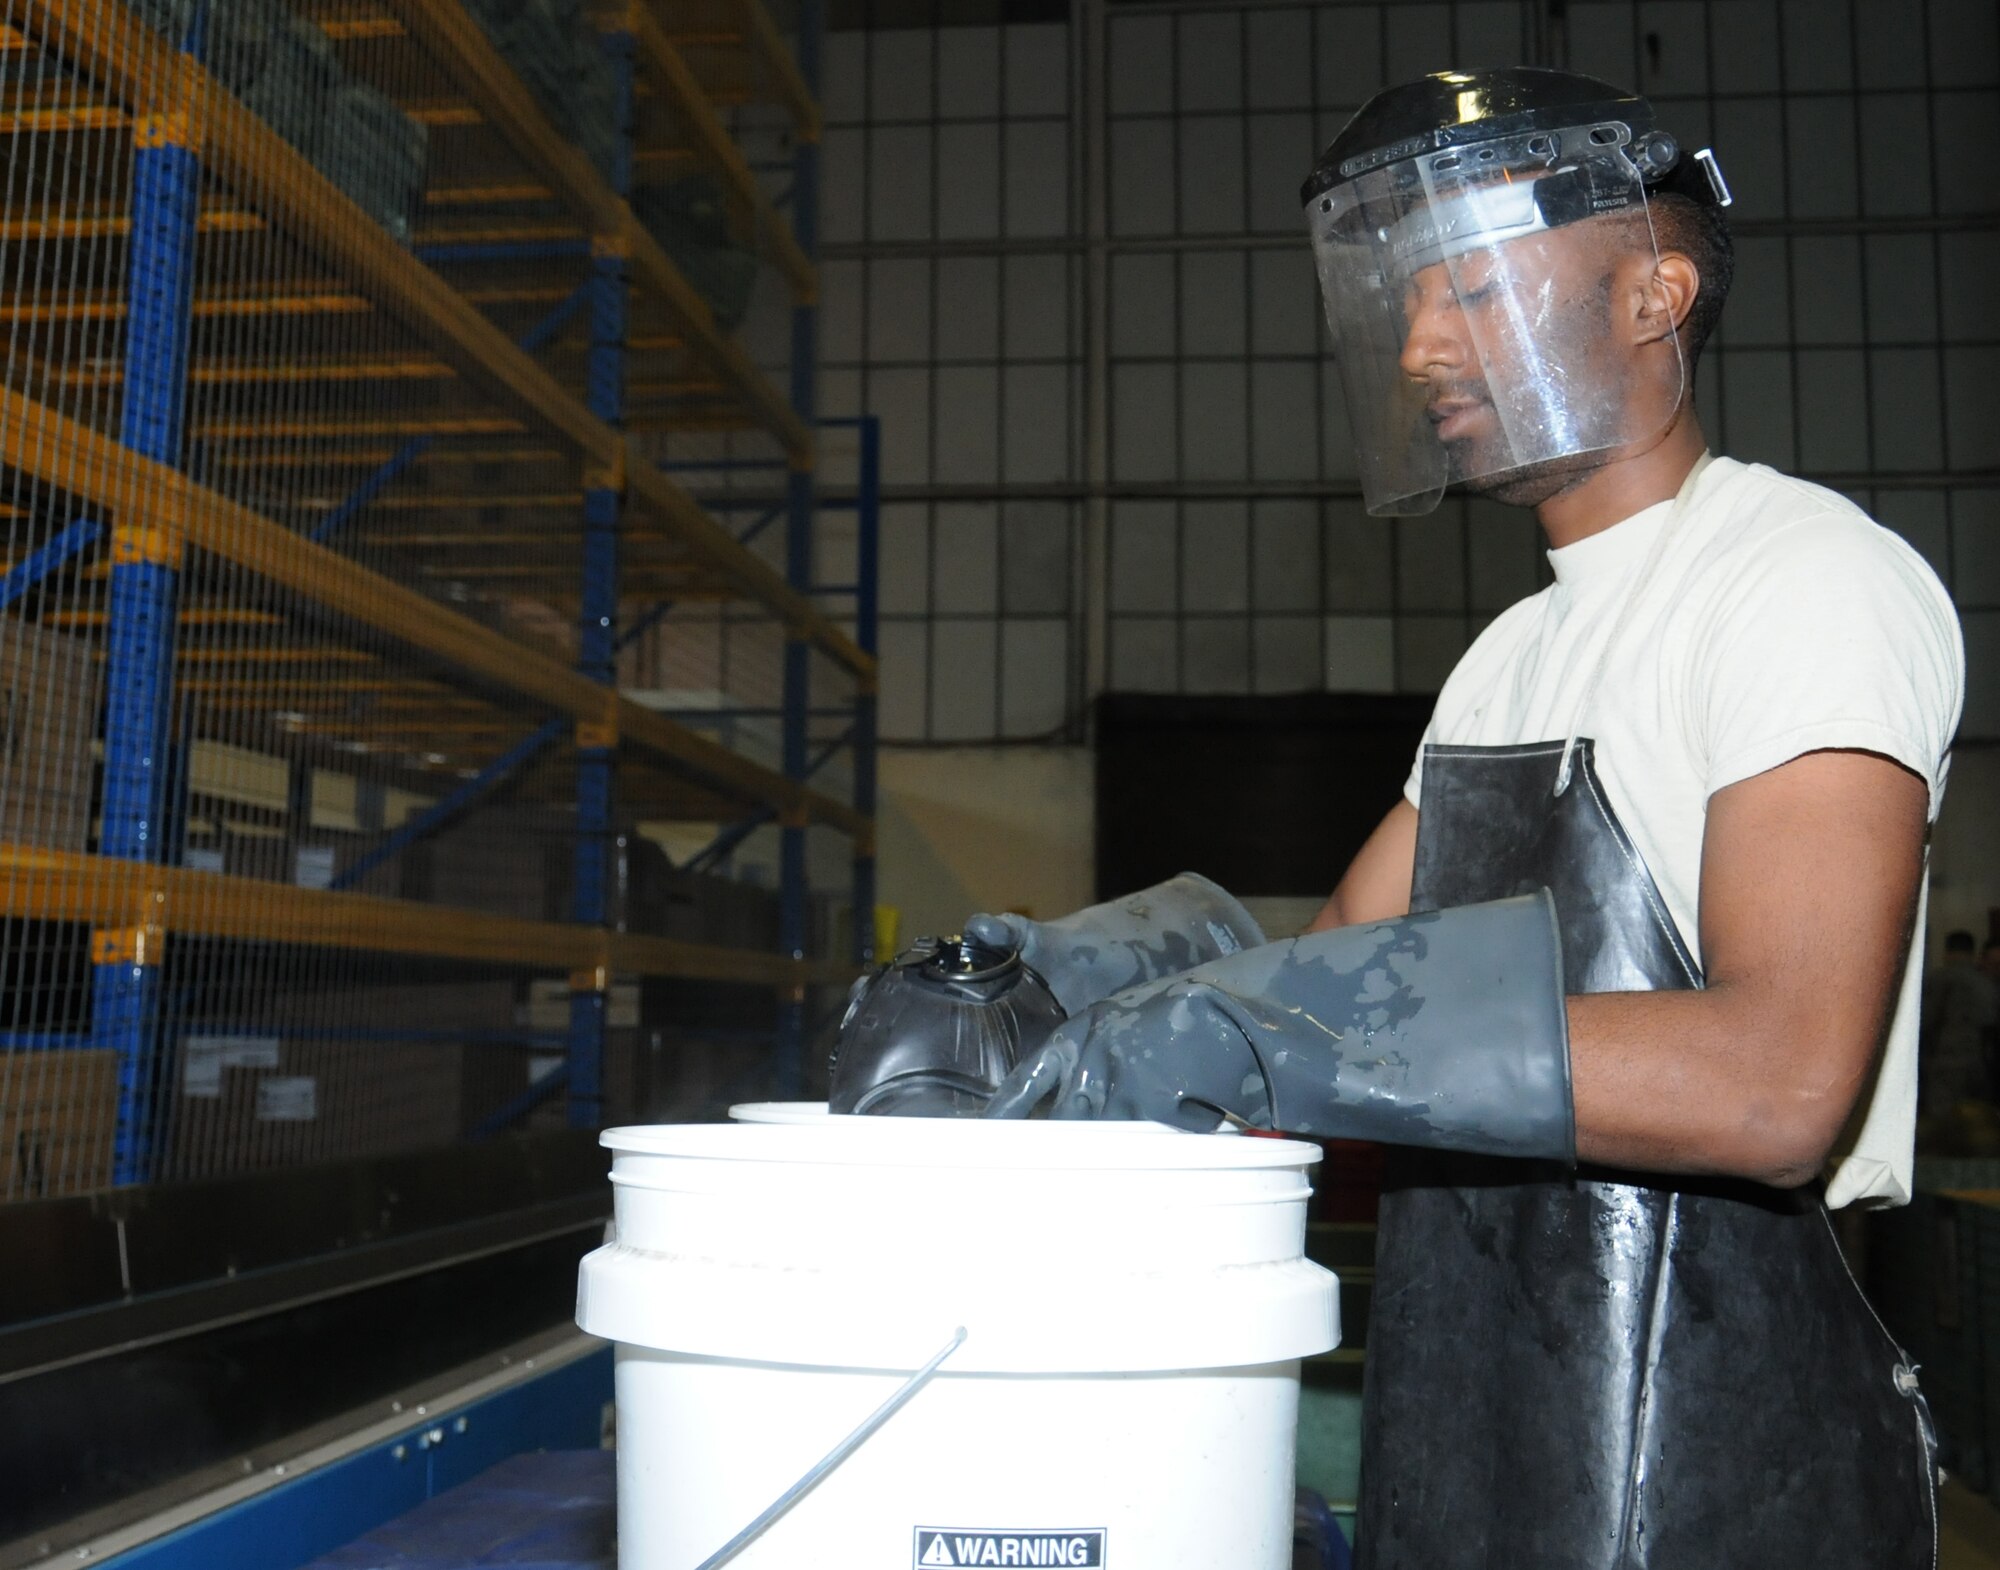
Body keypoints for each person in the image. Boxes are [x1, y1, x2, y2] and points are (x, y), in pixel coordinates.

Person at [985, 67, 1964, 1568]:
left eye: (1478, 290)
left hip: (1724, 1467)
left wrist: (1251, 1027)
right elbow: (1338, 956)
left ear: (1651, 295)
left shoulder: (1801, 582)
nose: (1420, 345)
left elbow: (1776, 1085)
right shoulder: (1507, 660)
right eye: (1409, 297)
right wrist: (1060, 980)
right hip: (1484, 1426)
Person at [1922, 929, 1995, 1115]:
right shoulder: (1986, 983)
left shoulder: (1937, 980)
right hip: (1980, 1063)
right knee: (1977, 1119)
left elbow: (1926, 1021)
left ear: (1947, 952)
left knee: (1943, 1121)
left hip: (1946, 1061)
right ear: (1972, 952)